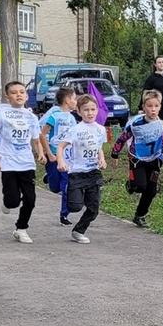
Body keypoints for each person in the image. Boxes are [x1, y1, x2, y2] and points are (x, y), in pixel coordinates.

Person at [0, 81, 46, 244]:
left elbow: (36, 139)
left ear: (26, 96)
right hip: (8, 162)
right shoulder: (1, 114)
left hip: (27, 163)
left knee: (30, 200)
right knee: (12, 201)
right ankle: (7, 202)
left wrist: (40, 154)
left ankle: (21, 229)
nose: (18, 94)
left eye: (21, 92)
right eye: (14, 92)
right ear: (7, 96)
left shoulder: (31, 116)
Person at [111, 90, 163, 228]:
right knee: (140, 186)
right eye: (150, 106)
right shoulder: (136, 124)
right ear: (144, 107)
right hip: (137, 159)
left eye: (156, 106)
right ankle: (131, 183)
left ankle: (140, 215)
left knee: (151, 191)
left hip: (155, 160)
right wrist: (115, 153)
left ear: (160, 107)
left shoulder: (162, 125)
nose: (153, 109)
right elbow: (122, 138)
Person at [59, 94, 107, 244]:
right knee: (75, 207)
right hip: (77, 173)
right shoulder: (75, 130)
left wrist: (102, 159)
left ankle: (79, 231)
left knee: (94, 208)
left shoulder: (100, 129)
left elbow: (98, 147)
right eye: (86, 110)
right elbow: (61, 147)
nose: (90, 113)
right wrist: (60, 161)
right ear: (79, 112)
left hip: (93, 173)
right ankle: (72, 193)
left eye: (93, 109)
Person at [40, 86, 78, 226]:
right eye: (74, 98)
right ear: (67, 100)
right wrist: (49, 153)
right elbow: (42, 134)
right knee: (55, 187)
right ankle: (49, 177)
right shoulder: (54, 116)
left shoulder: (73, 119)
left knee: (66, 187)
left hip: (67, 159)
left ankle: (64, 215)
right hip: (54, 156)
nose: (76, 101)